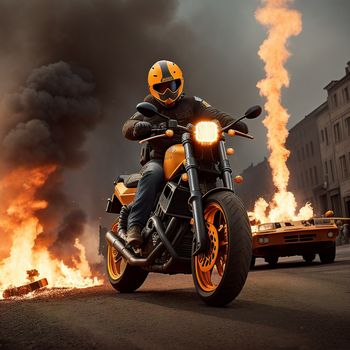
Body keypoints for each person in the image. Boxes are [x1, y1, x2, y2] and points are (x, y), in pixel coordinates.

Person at [122, 60, 248, 247]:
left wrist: (234, 123)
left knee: (213, 167)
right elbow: (128, 126)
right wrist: (137, 127)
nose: (167, 92)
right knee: (151, 174)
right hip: (161, 159)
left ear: (180, 83)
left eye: (172, 85)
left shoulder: (193, 102)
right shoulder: (149, 105)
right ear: (153, 88)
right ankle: (135, 226)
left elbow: (213, 112)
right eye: (161, 87)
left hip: (193, 155)